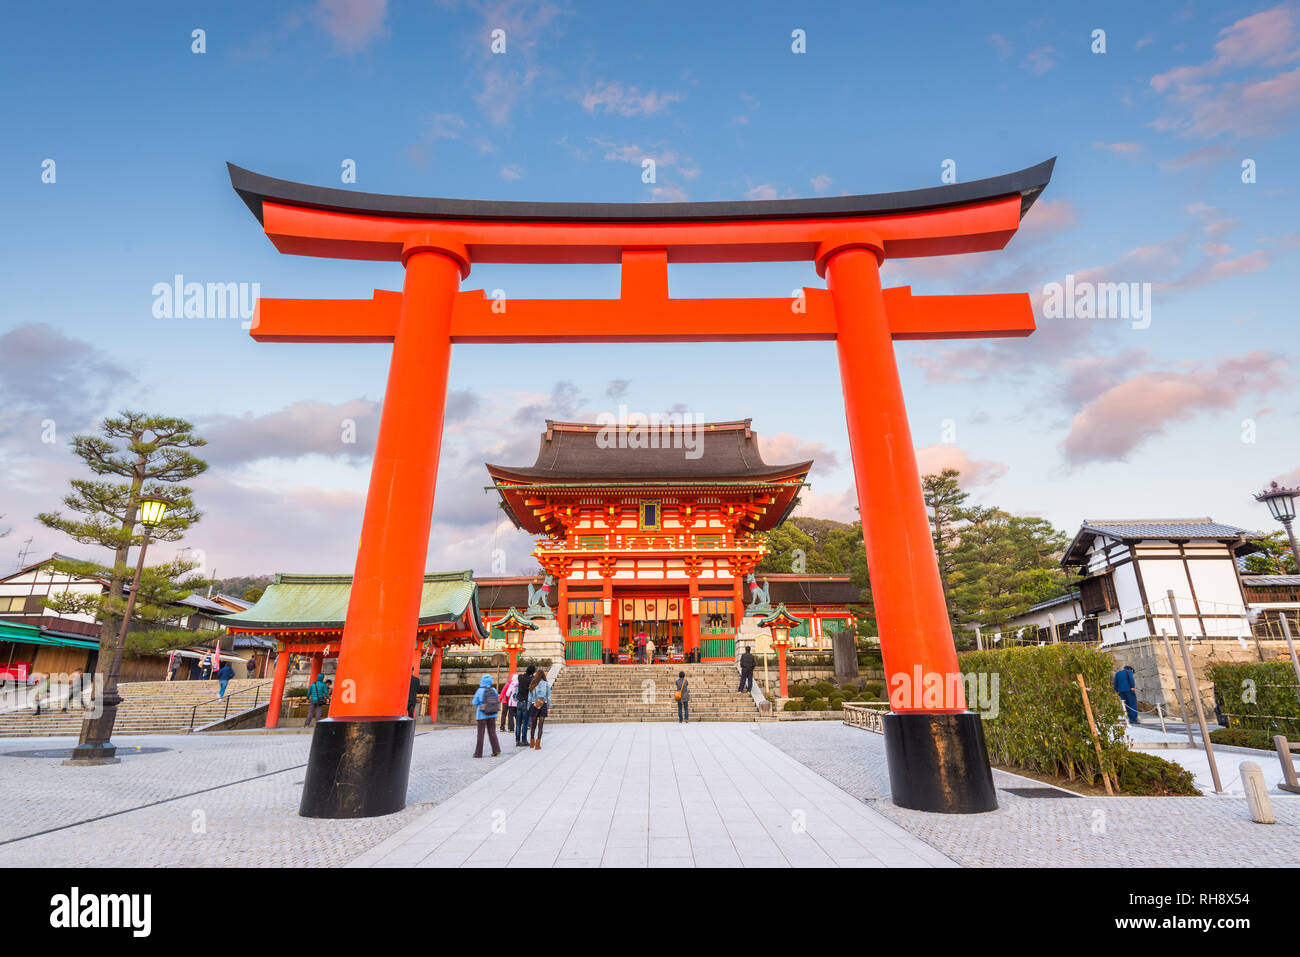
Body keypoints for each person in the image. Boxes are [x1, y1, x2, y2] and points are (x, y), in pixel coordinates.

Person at [472, 674, 502, 758]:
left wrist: (480, 703)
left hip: (482, 715)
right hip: (492, 714)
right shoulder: (494, 690)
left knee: (481, 734)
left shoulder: (479, 690)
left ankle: (478, 753)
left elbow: (474, 702)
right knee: (492, 732)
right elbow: (497, 700)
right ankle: (496, 750)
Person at [527, 670, 550, 749]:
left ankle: (531, 742)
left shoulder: (533, 684)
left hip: (534, 705)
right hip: (543, 705)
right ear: (543, 675)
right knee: (540, 726)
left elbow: (529, 698)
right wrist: (549, 707)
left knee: (533, 725)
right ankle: (537, 744)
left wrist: (528, 707)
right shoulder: (546, 684)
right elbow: (549, 697)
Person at [515, 665, 536, 746]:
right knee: (525, 722)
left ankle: (517, 740)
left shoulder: (520, 677)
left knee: (518, 723)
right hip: (526, 702)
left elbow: (520, 675)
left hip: (519, 702)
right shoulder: (531, 679)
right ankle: (524, 740)